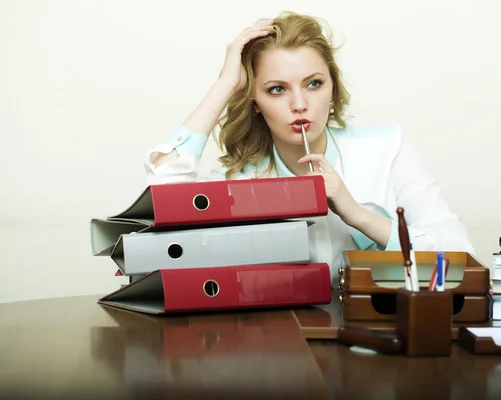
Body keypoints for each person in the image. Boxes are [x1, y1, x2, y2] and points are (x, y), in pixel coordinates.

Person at [144, 11, 474, 283]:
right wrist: (225, 84)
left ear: (332, 87)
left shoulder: (388, 149)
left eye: (313, 84)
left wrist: (356, 214)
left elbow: (460, 258)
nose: (299, 104)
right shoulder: (240, 179)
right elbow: (162, 197)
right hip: (278, 347)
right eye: (276, 90)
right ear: (255, 102)